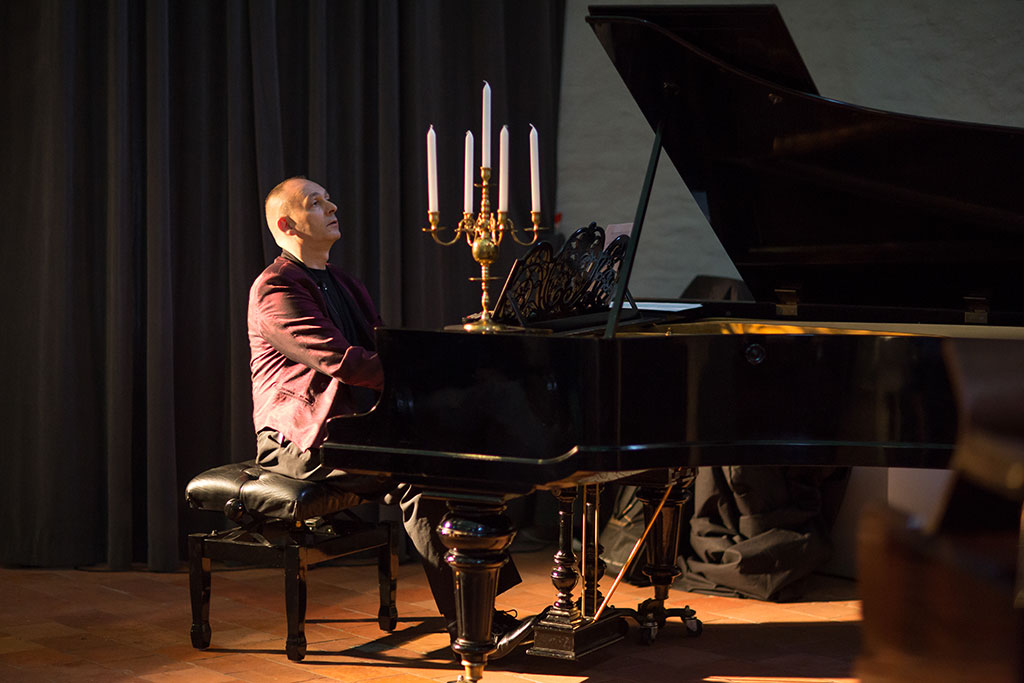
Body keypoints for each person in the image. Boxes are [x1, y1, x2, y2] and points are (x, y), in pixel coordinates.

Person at [248, 176, 533, 656]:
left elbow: (386, 350)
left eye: (328, 197)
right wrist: (435, 372)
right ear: (286, 224)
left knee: (458, 457)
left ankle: (484, 609)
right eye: (316, 203)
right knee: (419, 476)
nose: (332, 206)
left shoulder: (344, 283)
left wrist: (444, 365)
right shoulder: (276, 288)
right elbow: (345, 362)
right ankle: (471, 626)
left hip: (353, 427)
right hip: (298, 440)